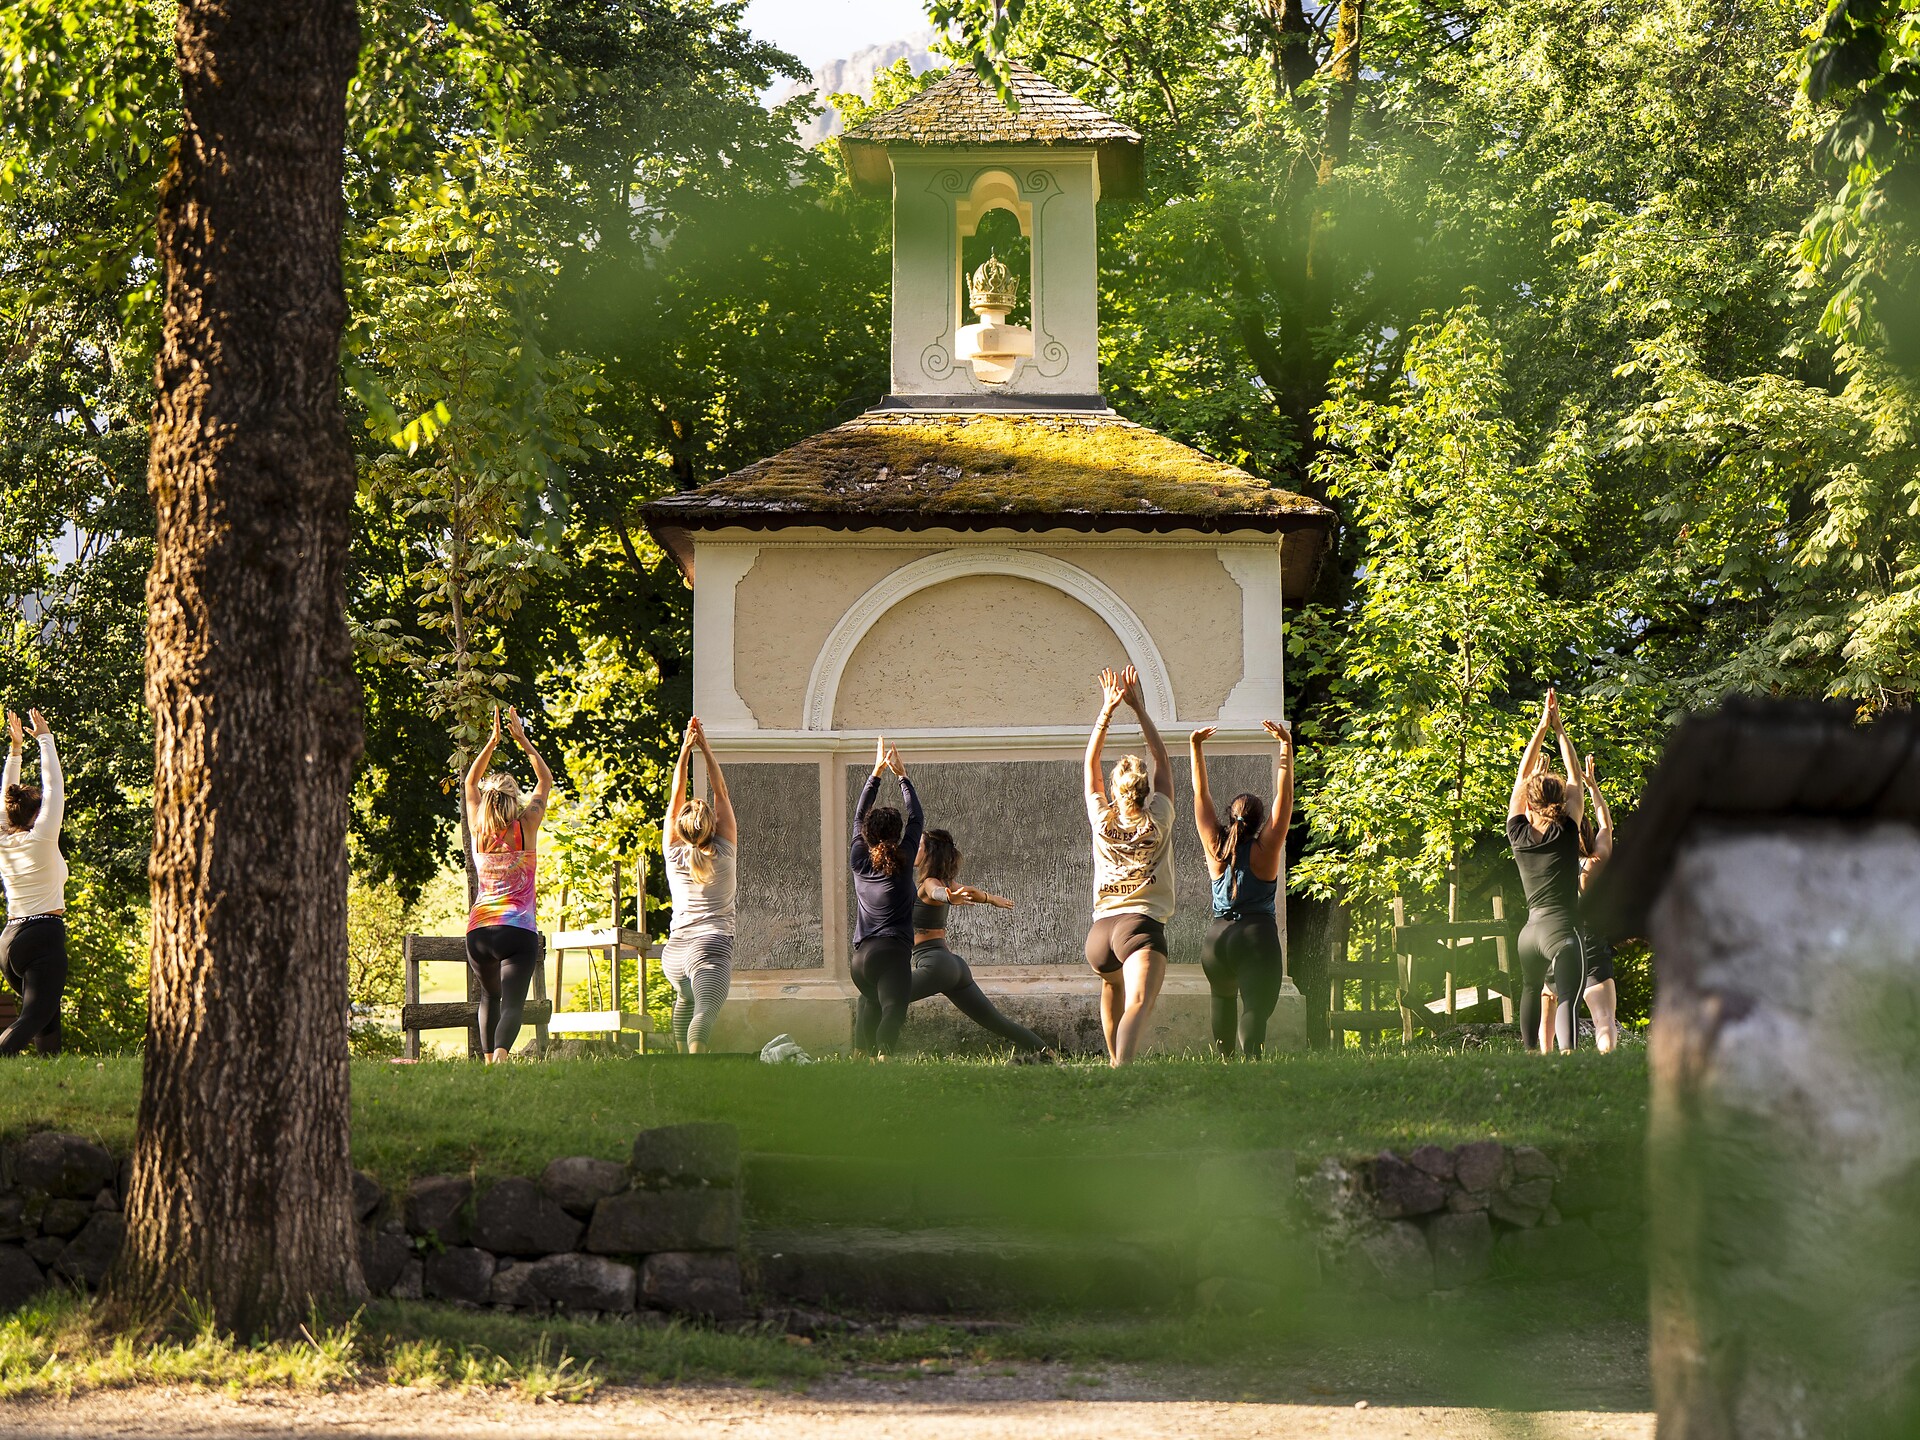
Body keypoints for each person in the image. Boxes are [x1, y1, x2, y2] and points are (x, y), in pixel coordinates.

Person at [1082, 664, 1175, 1067]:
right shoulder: (1159, 816)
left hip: (1100, 933)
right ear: (1144, 790)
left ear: (1116, 790)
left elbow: (1091, 763)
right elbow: (1162, 760)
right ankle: (1123, 1070)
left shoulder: (1102, 818)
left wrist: (1107, 710)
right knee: (1138, 1001)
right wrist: (1138, 708)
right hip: (1140, 925)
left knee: (1113, 991)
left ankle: (1111, 1061)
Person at [1190, 718, 1294, 1059]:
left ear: (1230, 817)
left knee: (1222, 999)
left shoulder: (1215, 847)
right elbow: (1285, 797)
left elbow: (1200, 794)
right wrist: (1285, 747)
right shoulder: (1266, 850)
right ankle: (1252, 1065)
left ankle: (1225, 1063)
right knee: (1255, 1008)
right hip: (1256, 937)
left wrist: (1196, 747)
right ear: (1259, 822)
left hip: (1217, 939)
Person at [462, 705, 553, 1063]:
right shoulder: (526, 825)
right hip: (518, 929)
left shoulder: (478, 830)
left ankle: (489, 1064)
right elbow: (544, 782)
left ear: (486, 800)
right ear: (516, 799)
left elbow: (470, 783)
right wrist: (522, 741)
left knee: (489, 997)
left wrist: (492, 741)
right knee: (514, 1001)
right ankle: (501, 1055)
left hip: (480, 932)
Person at [909, 827, 1049, 1055]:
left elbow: (936, 892)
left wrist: (948, 897)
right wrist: (991, 899)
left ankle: (867, 1058)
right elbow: (970, 891)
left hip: (935, 964)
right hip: (954, 967)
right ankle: (1048, 1055)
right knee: (998, 1023)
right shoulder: (947, 882)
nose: (915, 848)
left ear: (929, 853)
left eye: (920, 846)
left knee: (877, 999)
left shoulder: (931, 883)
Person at [1506, 690, 1586, 1054]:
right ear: (1559, 799)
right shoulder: (1567, 828)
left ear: (1529, 801)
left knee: (1529, 989)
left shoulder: (1518, 834)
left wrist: (1540, 728)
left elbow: (1522, 777)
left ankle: (1528, 1054)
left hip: (1528, 934)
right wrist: (1559, 729)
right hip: (1560, 929)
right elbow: (1575, 776)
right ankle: (1568, 1056)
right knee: (1569, 995)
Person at [661, 716, 737, 1053]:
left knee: (685, 1001)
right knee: (705, 1011)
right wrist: (705, 748)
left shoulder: (673, 852)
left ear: (681, 828)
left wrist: (684, 752)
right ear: (712, 826)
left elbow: (676, 794)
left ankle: (683, 1072)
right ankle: (695, 1066)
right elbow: (720, 792)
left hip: (674, 953)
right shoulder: (724, 851)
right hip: (711, 945)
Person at [1, 709, 68, 1057]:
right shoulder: (42, 837)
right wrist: (45, 738)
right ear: (35, 815)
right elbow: (53, 785)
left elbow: (5, 800)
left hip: (9, 941)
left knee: (46, 1012)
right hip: (44, 935)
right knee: (34, 1016)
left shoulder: (3, 839)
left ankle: (52, 1073)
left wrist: (15, 752)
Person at [850, 737, 921, 1058]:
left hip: (861, 959)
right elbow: (917, 818)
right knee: (894, 1008)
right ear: (897, 833)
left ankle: (859, 1056)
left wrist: (875, 773)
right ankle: (884, 1059)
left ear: (867, 834)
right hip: (892, 950)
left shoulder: (858, 859)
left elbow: (857, 816)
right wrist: (902, 776)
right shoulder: (904, 858)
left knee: (871, 1002)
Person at [1571, 753, 1620, 1053]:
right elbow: (1607, 825)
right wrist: (1592, 787)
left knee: (1556, 1009)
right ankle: (1607, 1061)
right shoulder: (1595, 862)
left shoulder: (1553, 861)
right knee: (1604, 1017)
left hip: (1559, 935)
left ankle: (1554, 1061)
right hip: (1591, 939)